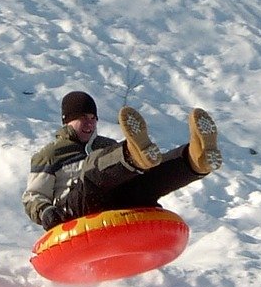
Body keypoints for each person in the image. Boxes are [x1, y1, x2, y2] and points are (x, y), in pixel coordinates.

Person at [23, 90, 222, 230]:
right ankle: (132, 155)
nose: (89, 123)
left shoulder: (105, 144)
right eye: (83, 117)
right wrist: (46, 212)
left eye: (93, 118)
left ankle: (194, 159)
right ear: (67, 120)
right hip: (72, 213)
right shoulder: (50, 154)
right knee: (93, 171)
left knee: (145, 179)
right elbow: (33, 196)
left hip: (113, 207)